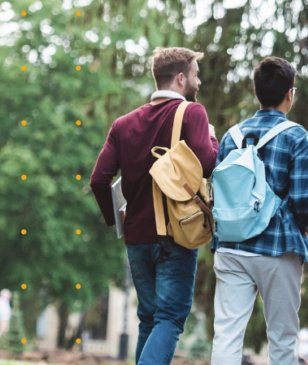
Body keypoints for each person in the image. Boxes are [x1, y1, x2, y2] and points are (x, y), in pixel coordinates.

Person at [90, 47, 219, 365]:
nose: (198, 81)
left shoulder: (123, 124)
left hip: (136, 239)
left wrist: (116, 219)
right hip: (175, 236)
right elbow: (206, 163)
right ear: (180, 78)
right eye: (195, 74)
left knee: (149, 319)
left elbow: (98, 180)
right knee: (170, 319)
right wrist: (213, 140)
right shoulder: (192, 113)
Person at [209, 56, 308, 365]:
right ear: (290, 94)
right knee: (282, 340)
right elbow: (300, 199)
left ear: (256, 93)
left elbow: (218, 192)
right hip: (277, 248)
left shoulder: (231, 137)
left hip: (231, 245)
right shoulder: (298, 137)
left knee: (227, 335)